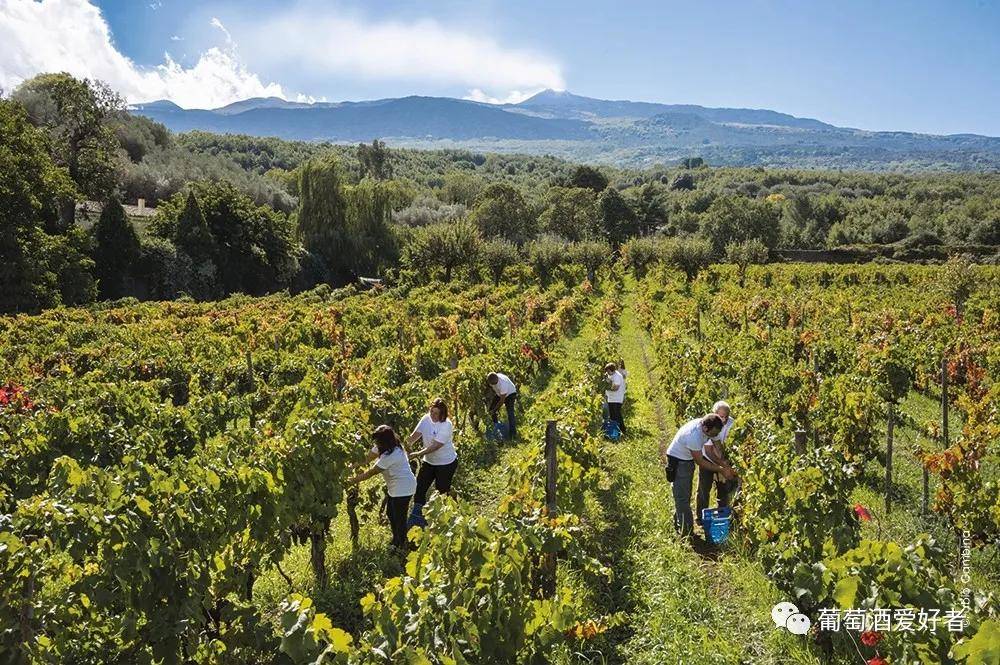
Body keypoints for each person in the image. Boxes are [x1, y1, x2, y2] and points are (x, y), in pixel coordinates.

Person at [661, 414, 737, 535]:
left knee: (685, 493)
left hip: (688, 459)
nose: (714, 435)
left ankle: (680, 522)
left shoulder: (711, 425)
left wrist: (724, 462)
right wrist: (721, 469)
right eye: (713, 433)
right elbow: (700, 462)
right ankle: (687, 532)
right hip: (678, 460)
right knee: (682, 497)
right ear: (706, 429)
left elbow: (717, 444)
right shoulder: (693, 436)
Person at [347, 425, 416, 550]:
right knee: (391, 513)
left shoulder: (393, 454)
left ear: (384, 441)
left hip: (403, 488)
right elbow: (367, 458)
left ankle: (402, 546)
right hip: (395, 488)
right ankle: (397, 541)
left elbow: (371, 472)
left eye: (378, 441)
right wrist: (351, 466)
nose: (376, 443)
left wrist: (352, 481)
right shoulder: (385, 446)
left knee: (399, 518)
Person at [406, 398, 458, 525]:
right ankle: (418, 519)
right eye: (431, 412)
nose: (433, 415)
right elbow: (415, 435)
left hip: (446, 463)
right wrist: (406, 447)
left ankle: (451, 504)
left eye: (436, 413)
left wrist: (417, 454)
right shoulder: (426, 419)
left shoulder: (447, 425)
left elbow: (435, 446)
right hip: (429, 462)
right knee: (420, 488)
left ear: (442, 414)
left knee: (442, 491)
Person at [696, 401, 739, 525]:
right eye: (720, 416)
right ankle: (700, 518)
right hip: (707, 459)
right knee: (704, 488)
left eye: (725, 416)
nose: (723, 419)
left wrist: (726, 463)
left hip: (724, 459)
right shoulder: (709, 424)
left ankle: (722, 517)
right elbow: (709, 451)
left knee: (724, 490)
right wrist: (722, 466)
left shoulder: (733, 424)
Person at [486, 372, 518, 440]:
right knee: (491, 408)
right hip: (500, 394)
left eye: (492, 384)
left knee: (510, 413)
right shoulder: (492, 379)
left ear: (496, 381)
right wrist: (493, 410)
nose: (491, 385)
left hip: (510, 394)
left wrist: (495, 410)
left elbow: (501, 401)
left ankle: (513, 434)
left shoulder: (503, 384)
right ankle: (496, 426)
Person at [604, 362, 627, 435]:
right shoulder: (610, 374)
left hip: (617, 398)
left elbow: (615, 388)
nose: (607, 373)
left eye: (608, 371)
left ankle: (622, 430)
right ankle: (615, 432)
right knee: (612, 415)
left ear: (612, 370)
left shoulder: (617, 376)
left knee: (617, 414)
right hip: (611, 398)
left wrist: (606, 387)